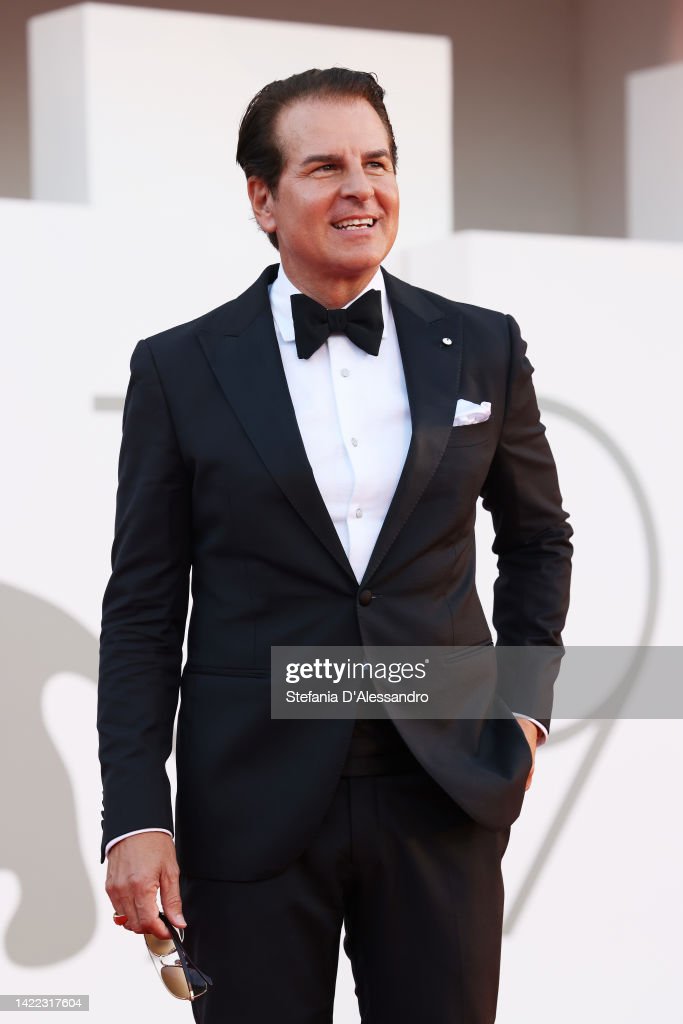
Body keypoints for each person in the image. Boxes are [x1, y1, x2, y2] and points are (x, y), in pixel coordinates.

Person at [98, 67, 572, 1023]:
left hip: (440, 787)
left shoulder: (482, 345)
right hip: (250, 802)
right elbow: (145, 609)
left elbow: (537, 541)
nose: (361, 188)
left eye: (378, 162)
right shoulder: (180, 366)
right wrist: (137, 814)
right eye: (325, 167)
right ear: (263, 200)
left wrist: (519, 716)